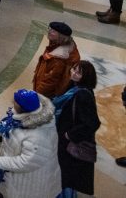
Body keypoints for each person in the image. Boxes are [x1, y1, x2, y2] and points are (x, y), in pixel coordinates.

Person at [0, 89, 61, 198]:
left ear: (22, 107)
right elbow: (7, 124)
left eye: (15, 101)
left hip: (32, 182)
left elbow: (28, 162)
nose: (13, 102)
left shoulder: (38, 135)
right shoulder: (24, 116)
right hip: (16, 175)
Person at [54, 61, 100, 197]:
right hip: (64, 138)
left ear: (86, 77)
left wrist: (69, 135)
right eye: (73, 69)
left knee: (67, 175)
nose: (73, 73)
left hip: (70, 142)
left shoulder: (82, 94)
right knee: (66, 174)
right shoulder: (75, 87)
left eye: (78, 72)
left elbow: (92, 123)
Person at [33, 21, 80, 98]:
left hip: (48, 94)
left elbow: (50, 81)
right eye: (50, 29)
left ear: (61, 36)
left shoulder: (58, 58)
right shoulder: (58, 44)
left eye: (54, 31)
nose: (49, 32)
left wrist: (36, 94)